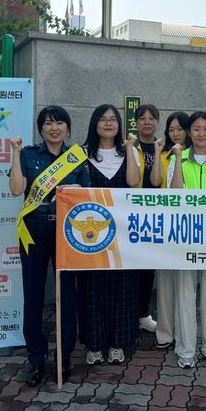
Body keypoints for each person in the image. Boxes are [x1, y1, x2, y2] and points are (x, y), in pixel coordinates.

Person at [9, 105, 90, 386]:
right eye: (48, 123)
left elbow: (87, 194)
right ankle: (36, 357)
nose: (53, 128)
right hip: (33, 231)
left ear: (67, 127)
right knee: (32, 294)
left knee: (67, 295)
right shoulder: (29, 154)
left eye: (59, 123)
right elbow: (17, 190)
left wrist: (71, 193)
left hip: (66, 232)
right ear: (41, 128)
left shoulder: (76, 158)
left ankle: (63, 356)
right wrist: (16, 154)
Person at [79, 104, 141, 366]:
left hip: (123, 236)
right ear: (94, 124)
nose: (108, 123)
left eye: (113, 119)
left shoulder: (129, 152)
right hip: (89, 236)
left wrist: (128, 148)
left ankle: (117, 344)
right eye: (103, 119)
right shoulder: (81, 154)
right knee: (91, 289)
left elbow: (132, 182)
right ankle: (94, 345)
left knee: (122, 288)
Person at [168, 111, 206, 369]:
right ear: (188, 132)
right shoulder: (177, 158)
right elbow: (175, 192)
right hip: (185, 235)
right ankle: (185, 350)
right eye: (196, 129)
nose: (201, 134)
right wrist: (180, 160)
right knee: (184, 293)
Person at [149, 111, 191, 350]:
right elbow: (155, 182)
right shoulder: (164, 153)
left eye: (180, 129)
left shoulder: (195, 155)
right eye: (171, 129)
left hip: (189, 224)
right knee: (164, 279)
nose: (175, 133)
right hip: (166, 222)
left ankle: (185, 330)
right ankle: (165, 333)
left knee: (185, 282)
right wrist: (157, 153)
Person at [133, 103, 160, 333]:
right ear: (135, 123)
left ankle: (143, 314)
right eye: (142, 118)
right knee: (129, 269)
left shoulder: (164, 149)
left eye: (152, 118)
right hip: (130, 216)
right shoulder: (128, 148)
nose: (147, 122)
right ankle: (129, 313)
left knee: (148, 269)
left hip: (154, 217)